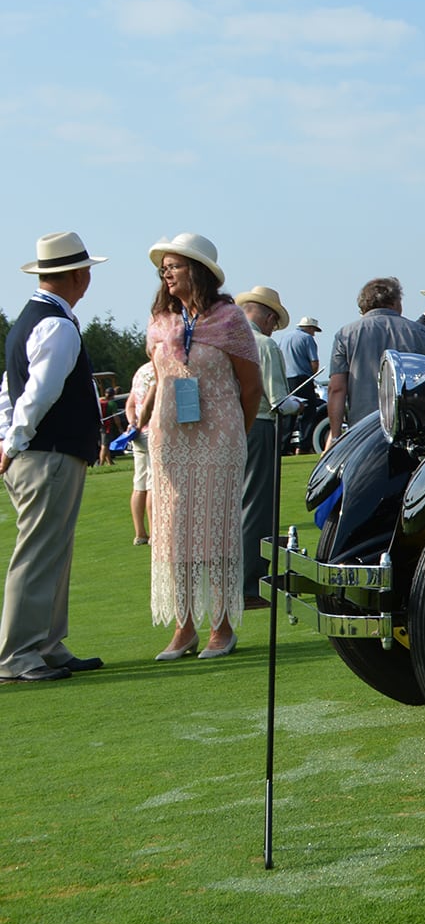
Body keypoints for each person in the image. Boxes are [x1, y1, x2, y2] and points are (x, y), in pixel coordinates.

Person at [141, 233, 261, 661]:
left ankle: (221, 627)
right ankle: (183, 626)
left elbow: (251, 388)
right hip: (171, 439)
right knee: (173, 533)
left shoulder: (229, 319)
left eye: (174, 265)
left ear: (198, 270)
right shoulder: (161, 320)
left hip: (220, 438)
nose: (166, 273)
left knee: (215, 530)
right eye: (164, 268)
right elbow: (156, 374)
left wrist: (236, 435)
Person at [0, 231, 108, 683]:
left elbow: (10, 390)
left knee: (52, 550)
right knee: (40, 552)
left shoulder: (30, 319)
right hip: (48, 454)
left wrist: (7, 438)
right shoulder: (58, 325)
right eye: (85, 271)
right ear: (76, 276)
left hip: (40, 453)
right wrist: (13, 441)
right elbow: (38, 394)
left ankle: (46, 644)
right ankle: (18, 655)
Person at [235, 286, 297, 611]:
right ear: (269, 316)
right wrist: (299, 403)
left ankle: (236, 582)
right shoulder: (265, 344)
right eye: (274, 321)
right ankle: (249, 585)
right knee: (257, 507)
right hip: (258, 426)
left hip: (228, 430)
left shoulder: (226, 341)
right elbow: (280, 401)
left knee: (236, 505)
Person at [325, 277, 425, 443]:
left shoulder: (345, 335)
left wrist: (335, 436)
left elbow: (337, 388)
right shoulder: (421, 333)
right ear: (395, 301)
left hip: (363, 428)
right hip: (410, 426)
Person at [125, 359, 156, 544]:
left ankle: (140, 533)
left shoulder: (140, 370)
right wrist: (142, 422)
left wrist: (133, 424)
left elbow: (130, 404)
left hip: (136, 433)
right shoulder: (156, 369)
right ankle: (154, 533)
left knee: (139, 483)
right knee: (153, 483)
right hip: (151, 430)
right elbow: (149, 404)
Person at [275, 314, 321, 399]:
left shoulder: (285, 336)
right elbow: (314, 363)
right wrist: (311, 378)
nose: (313, 334)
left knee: (291, 408)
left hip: (286, 380)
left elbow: (278, 356)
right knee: (309, 407)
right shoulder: (307, 338)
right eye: (314, 331)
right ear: (310, 328)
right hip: (302, 380)